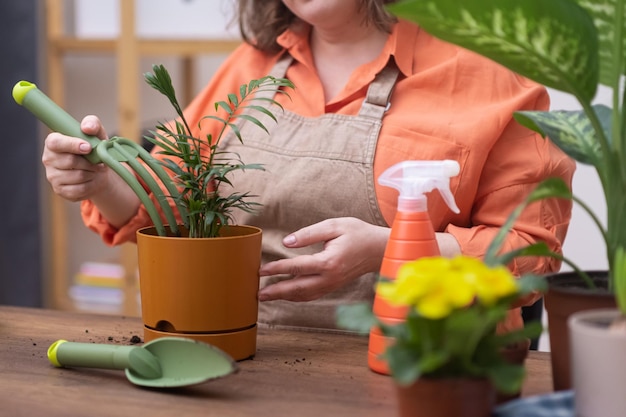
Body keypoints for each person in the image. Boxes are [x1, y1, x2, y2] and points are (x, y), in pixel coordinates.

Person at [42, 0, 575, 333]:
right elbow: (171, 208)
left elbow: (529, 258)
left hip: (428, 372)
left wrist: (390, 251)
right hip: (249, 360)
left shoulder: (491, 79)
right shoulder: (253, 67)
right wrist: (103, 181)